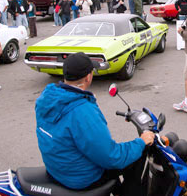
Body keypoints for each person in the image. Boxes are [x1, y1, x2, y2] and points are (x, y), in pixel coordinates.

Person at [35, 52, 154, 195]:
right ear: (88, 77)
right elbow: (111, 156)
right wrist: (141, 142)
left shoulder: (48, 98)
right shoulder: (82, 111)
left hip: (59, 169)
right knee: (134, 157)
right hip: (80, 179)